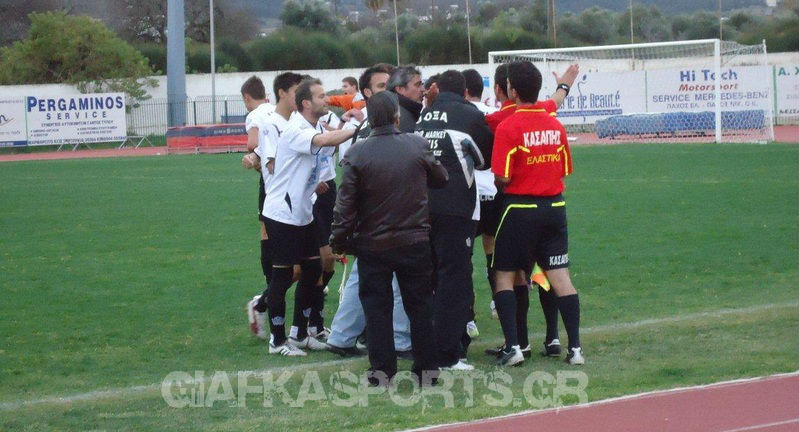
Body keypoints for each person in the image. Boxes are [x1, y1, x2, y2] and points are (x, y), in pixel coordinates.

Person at [331, 91, 448, 385]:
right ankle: (428, 371)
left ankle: (382, 371)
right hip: (414, 240)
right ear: (396, 117)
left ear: (370, 119)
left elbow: (345, 206)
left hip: (373, 244)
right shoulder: (417, 144)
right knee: (420, 306)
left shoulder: (357, 152)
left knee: (377, 309)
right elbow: (441, 178)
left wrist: (339, 240)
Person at [483, 62, 580, 359]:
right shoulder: (553, 122)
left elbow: (502, 177)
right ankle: (571, 346)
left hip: (519, 208)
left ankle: (515, 346)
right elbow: (564, 169)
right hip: (555, 207)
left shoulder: (503, 123)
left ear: (510, 90)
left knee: (505, 275)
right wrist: (564, 85)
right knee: (555, 275)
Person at [261, 77, 356, 356]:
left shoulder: (314, 126)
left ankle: (300, 334)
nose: (327, 100)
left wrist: (314, 183)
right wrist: (359, 127)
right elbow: (323, 141)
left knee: (314, 269)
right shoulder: (296, 129)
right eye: (321, 96)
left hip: (303, 211)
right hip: (282, 213)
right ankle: (277, 341)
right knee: (282, 276)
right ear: (306, 103)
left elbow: (323, 148)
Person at [326, 63, 414, 359]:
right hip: (385, 213)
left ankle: (342, 335)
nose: (389, 91)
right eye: (381, 87)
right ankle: (399, 340)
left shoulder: (363, 126)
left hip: (367, 214)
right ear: (366, 93)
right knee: (397, 277)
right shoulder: (383, 126)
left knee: (362, 276)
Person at [416, 70, 493, 370]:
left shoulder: (424, 116)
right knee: (454, 279)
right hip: (455, 207)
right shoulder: (469, 115)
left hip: (421, 207)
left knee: (429, 279)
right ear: (464, 91)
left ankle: (425, 347)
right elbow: (485, 159)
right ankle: (448, 354)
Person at [240, 74, 298, 340]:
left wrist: (256, 160)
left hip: (279, 184)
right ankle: (269, 293)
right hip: (283, 186)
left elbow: (253, 146)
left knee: (270, 235)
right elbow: (258, 147)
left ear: (246, 98)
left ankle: (267, 293)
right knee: (278, 241)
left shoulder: (257, 115)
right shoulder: (272, 112)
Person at [387, 66, 425, 132]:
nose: (423, 89)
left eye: (422, 84)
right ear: (400, 89)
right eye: (418, 85)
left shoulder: (389, 109)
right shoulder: (400, 118)